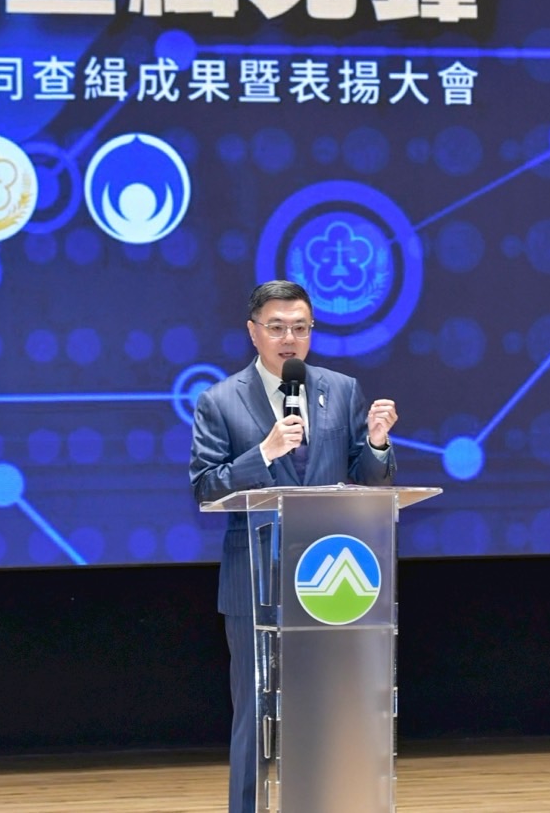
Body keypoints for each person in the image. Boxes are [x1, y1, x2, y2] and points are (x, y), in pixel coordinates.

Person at [188, 279, 399, 813]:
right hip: (255, 581)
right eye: (278, 327)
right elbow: (206, 487)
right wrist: (263, 452)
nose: (290, 339)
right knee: (254, 711)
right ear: (253, 332)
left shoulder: (341, 390)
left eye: (300, 328)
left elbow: (367, 480)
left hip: (332, 580)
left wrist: (376, 443)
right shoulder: (220, 401)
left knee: (332, 708)